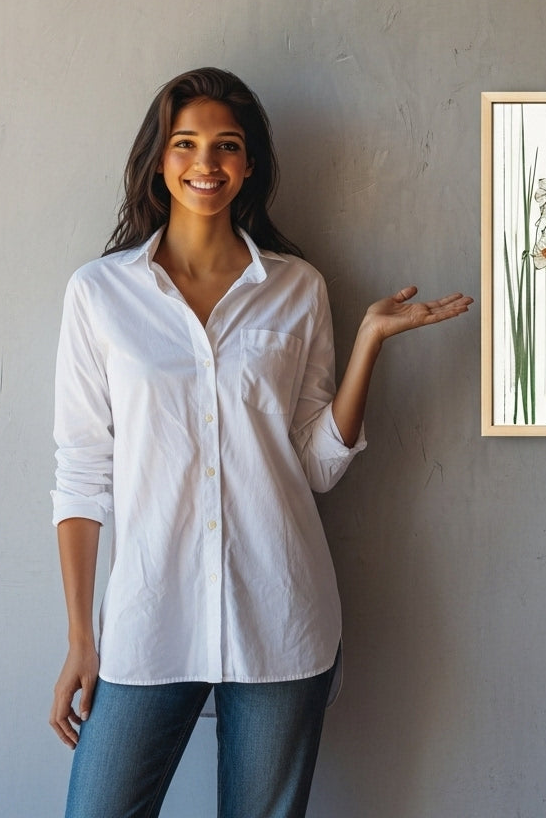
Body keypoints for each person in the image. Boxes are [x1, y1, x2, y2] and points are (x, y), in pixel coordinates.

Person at [48, 67, 472, 818]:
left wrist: (369, 342)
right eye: (185, 143)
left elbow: (315, 464)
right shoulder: (99, 293)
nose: (205, 162)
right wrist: (82, 637)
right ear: (158, 159)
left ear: (249, 166)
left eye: (226, 145)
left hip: (281, 614)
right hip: (151, 619)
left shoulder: (298, 288)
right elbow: (82, 474)